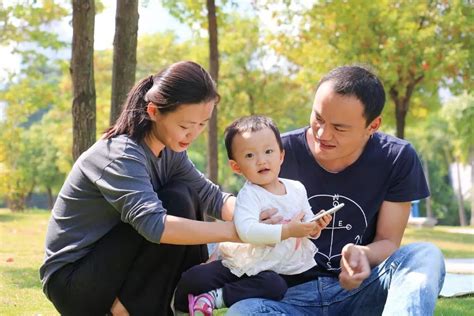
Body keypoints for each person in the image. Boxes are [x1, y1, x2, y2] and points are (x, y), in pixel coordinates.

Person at [227, 66, 446, 315]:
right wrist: (262, 224)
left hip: (363, 293)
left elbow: (388, 241)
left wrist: (362, 254)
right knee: (244, 311)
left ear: (372, 125)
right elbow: (244, 218)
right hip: (285, 296)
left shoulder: (397, 158)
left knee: (425, 254)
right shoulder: (272, 154)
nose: (322, 133)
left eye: (339, 128)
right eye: (318, 118)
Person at [40, 61, 242, 316]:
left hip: (114, 269)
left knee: (185, 193)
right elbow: (153, 225)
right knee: (176, 201)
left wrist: (255, 219)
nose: (192, 135)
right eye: (184, 126)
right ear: (154, 111)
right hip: (74, 282)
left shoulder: (172, 151)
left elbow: (210, 196)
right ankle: (125, 309)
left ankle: (181, 302)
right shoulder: (121, 154)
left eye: (201, 125)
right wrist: (233, 232)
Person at [173, 115, 331, 315]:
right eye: (249, 156)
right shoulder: (250, 195)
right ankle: (178, 306)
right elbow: (247, 230)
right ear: (236, 167)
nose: (261, 160)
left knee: (275, 286)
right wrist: (288, 230)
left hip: (275, 269)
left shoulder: (296, 188)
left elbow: (305, 221)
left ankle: (216, 298)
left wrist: (314, 226)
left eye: (268, 151)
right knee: (194, 278)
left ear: (281, 156)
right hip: (244, 262)